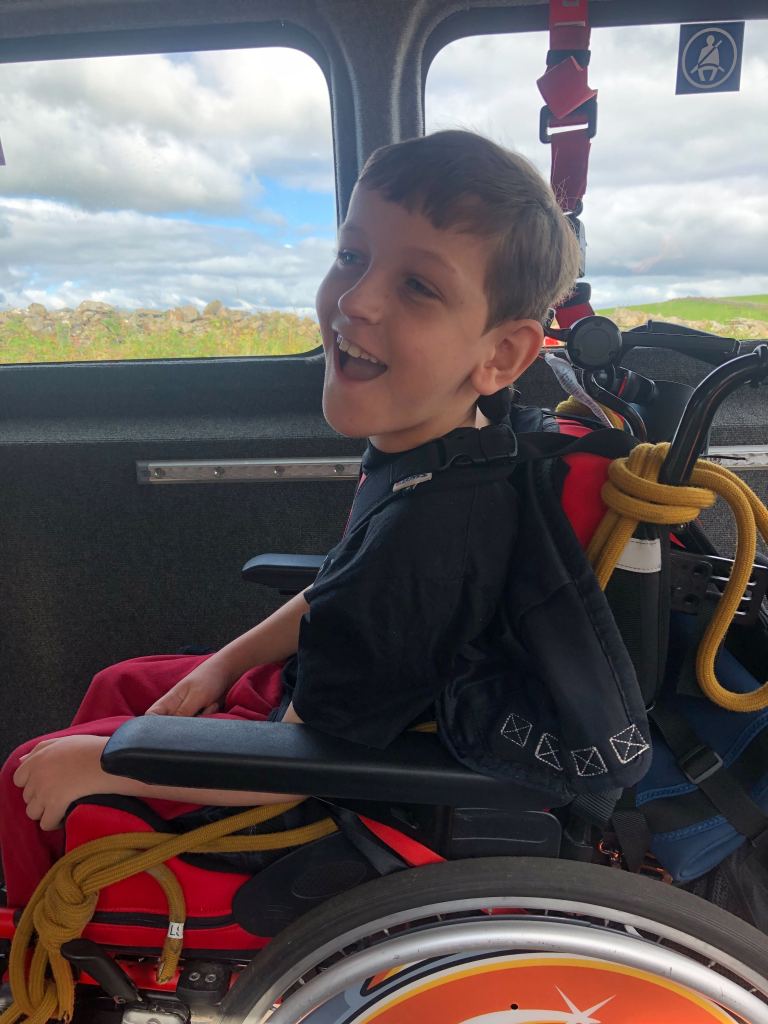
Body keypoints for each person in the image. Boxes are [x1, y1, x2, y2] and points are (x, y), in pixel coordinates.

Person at [1, 130, 580, 906]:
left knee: (28, 772)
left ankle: (50, 937)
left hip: (312, 778)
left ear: (502, 357)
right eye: (352, 256)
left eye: (418, 287)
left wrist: (98, 768)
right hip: (309, 697)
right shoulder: (434, 456)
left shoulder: (436, 537)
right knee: (122, 682)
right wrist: (223, 666)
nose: (357, 299)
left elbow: (301, 761)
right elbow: (339, 589)